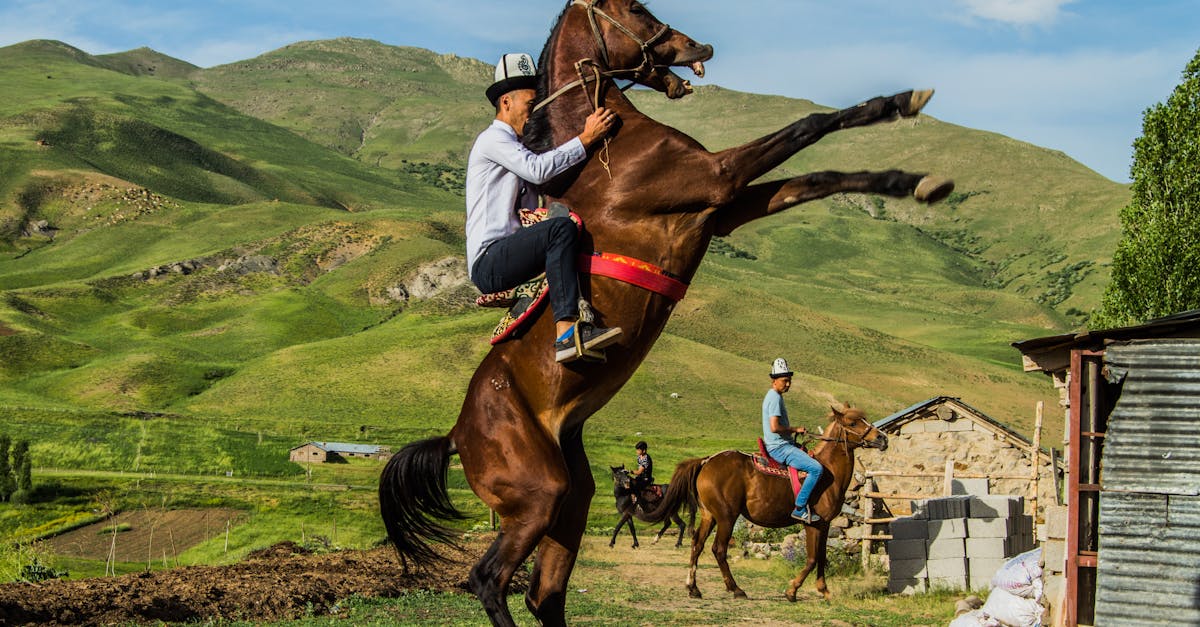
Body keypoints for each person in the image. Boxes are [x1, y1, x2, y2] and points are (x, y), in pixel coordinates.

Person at [466, 52, 623, 363]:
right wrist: (586, 138)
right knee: (559, 230)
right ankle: (566, 333)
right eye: (529, 104)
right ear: (506, 103)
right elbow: (538, 170)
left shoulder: (516, 147)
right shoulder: (493, 140)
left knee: (563, 225)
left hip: (511, 251)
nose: (533, 112)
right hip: (490, 260)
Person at [761, 358, 824, 524]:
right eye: (784, 381)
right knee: (816, 469)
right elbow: (774, 427)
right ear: (774, 381)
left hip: (781, 444)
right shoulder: (774, 397)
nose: (788, 384)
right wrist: (795, 429)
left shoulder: (774, 396)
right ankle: (800, 508)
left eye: (789, 380)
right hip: (779, 447)